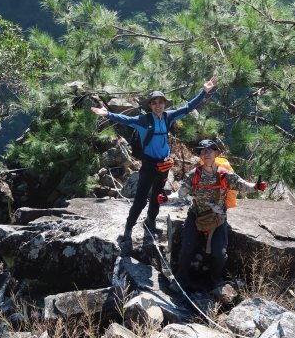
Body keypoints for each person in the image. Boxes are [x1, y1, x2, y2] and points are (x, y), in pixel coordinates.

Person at [91, 77, 217, 239]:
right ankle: (129, 226)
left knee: (158, 196)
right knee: (141, 199)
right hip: (149, 165)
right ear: (150, 105)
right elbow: (126, 120)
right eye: (154, 102)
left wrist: (203, 92)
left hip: (164, 165)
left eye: (161, 102)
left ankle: (150, 222)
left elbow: (187, 108)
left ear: (165, 104)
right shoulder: (143, 121)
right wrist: (107, 113)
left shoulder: (168, 117)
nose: (158, 105)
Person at [159, 139, 267, 292]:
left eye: (209, 150)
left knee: (219, 253)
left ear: (216, 153)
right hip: (196, 216)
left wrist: (256, 186)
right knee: (187, 248)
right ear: (200, 155)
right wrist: (167, 198)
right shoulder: (194, 174)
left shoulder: (224, 175)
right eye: (203, 151)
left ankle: (216, 282)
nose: (206, 153)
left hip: (218, 219)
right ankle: (181, 279)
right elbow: (181, 193)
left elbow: (243, 185)